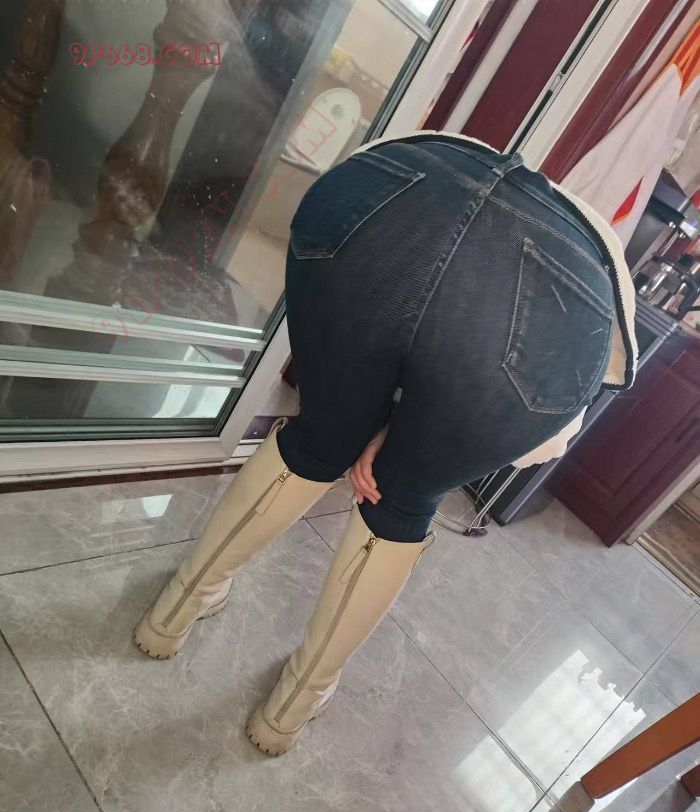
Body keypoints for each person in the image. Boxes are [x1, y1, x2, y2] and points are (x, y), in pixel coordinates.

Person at [133, 132, 637, 756]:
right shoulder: (602, 281)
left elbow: (421, 308)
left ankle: (176, 607)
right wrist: (408, 449)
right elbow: (534, 438)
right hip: (552, 301)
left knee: (317, 439)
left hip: (392, 188)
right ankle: (291, 707)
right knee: (402, 500)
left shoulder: (449, 150)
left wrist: (367, 422)